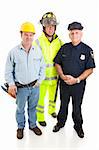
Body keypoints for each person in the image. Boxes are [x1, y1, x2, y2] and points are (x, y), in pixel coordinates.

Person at [53, 22, 96, 138]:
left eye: (77, 33)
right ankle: (60, 123)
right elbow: (57, 63)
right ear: (69, 35)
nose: (74, 35)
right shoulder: (64, 48)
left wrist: (77, 79)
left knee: (77, 106)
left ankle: (78, 126)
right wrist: (61, 75)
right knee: (63, 105)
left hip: (78, 85)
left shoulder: (87, 50)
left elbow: (90, 69)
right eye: (72, 33)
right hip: (64, 84)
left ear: (81, 34)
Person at [5, 22, 46, 139]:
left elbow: (43, 67)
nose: (28, 37)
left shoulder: (37, 50)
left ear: (33, 36)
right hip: (21, 88)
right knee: (20, 109)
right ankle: (20, 127)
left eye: (31, 35)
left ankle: (33, 125)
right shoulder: (13, 52)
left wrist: (40, 80)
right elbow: (8, 71)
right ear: (21, 35)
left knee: (33, 108)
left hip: (35, 87)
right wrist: (11, 84)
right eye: (26, 34)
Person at [34, 12, 63, 127]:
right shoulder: (37, 42)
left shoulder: (60, 42)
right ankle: (40, 117)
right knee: (40, 100)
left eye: (52, 26)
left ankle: (52, 111)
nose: (50, 29)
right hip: (41, 78)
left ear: (55, 27)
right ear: (44, 27)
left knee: (53, 97)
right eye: (48, 26)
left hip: (55, 77)